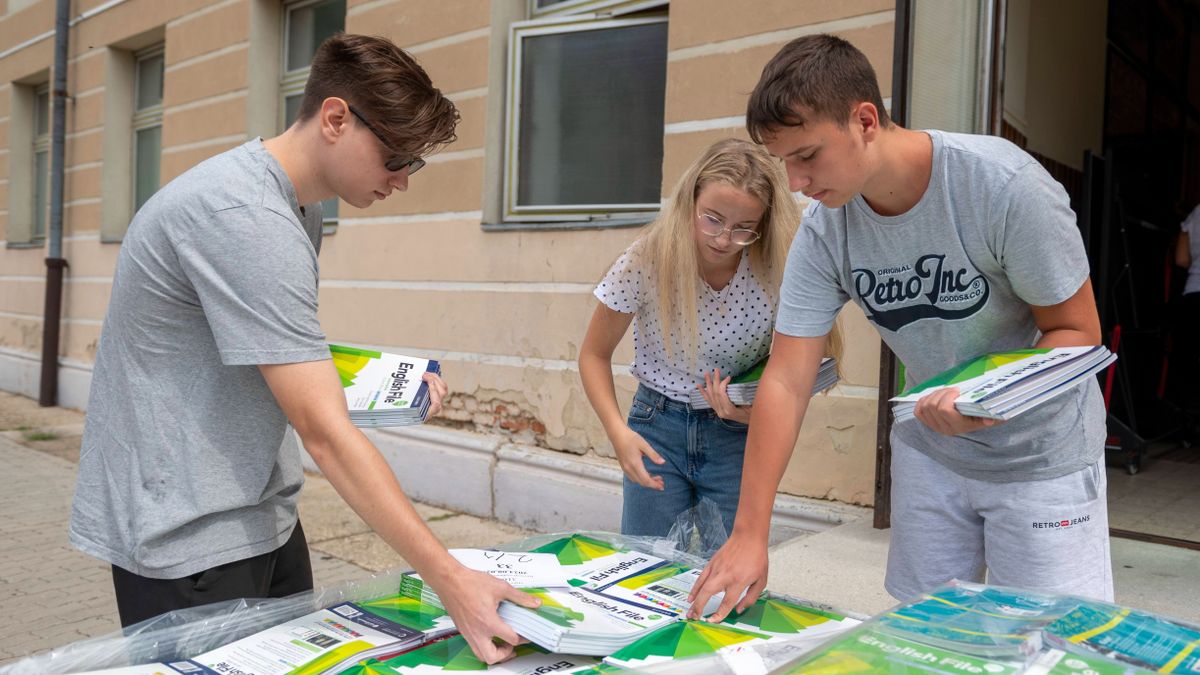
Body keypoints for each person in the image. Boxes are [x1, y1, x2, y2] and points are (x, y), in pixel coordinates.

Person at [68, 33, 537, 663]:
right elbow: (322, 430)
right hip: (187, 533)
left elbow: (272, 352)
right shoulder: (244, 217)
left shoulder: (297, 206)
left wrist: (385, 388)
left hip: (259, 510)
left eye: (413, 164)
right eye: (396, 157)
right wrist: (452, 582)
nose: (401, 181)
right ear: (336, 118)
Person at [688, 34, 1112, 621]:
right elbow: (786, 378)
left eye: (807, 155)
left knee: (1052, 642)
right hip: (931, 451)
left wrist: (986, 395)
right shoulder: (825, 230)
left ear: (865, 120)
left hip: (1041, 456)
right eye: (783, 162)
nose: (795, 184)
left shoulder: (1004, 187)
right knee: (929, 636)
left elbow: (1076, 332)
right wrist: (749, 534)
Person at [578, 138, 839, 544]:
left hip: (736, 436)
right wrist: (618, 434)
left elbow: (805, 370)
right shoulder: (650, 256)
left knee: (731, 568)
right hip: (656, 427)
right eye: (712, 219)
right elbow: (593, 355)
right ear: (690, 202)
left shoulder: (780, 263)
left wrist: (756, 413)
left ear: (764, 225)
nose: (723, 239)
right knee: (647, 570)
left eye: (743, 229)